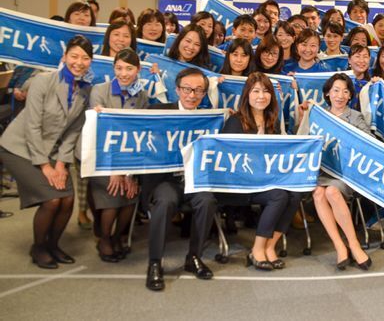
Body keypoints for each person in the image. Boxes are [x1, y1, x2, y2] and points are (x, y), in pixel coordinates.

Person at [0, 35, 93, 269]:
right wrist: (45, 166)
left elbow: (73, 131)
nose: (79, 62)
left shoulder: (85, 90)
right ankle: (39, 247)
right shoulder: (43, 81)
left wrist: (61, 164)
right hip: (18, 147)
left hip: (53, 151)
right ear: (64, 57)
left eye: (85, 58)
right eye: (74, 56)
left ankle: (53, 245)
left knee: (68, 199)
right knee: (52, 200)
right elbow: (32, 126)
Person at [141, 68, 218, 291]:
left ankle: (193, 257)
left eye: (198, 90)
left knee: (207, 201)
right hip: (164, 180)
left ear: (204, 93)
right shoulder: (156, 112)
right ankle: (155, 262)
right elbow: (131, 132)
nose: (192, 95)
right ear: (177, 90)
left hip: (194, 180)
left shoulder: (210, 118)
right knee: (165, 201)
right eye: (187, 89)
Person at [222, 73, 300, 270]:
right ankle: (257, 250)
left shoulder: (272, 122)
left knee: (296, 194)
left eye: (266, 91)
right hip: (239, 184)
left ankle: (270, 246)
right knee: (279, 196)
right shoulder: (235, 121)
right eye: (256, 91)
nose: (261, 96)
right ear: (247, 95)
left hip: (265, 181)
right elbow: (227, 160)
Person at [297, 73, 372, 271]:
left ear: (350, 96)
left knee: (331, 191)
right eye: (336, 90)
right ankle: (339, 245)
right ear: (328, 94)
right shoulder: (317, 114)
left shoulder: (355, 116)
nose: (340, 95)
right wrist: (302, 116)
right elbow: (303, 142)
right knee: (318, 192)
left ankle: (353, 244)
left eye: (345, 91)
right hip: (322, 171)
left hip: (345, 173)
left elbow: (369, 142)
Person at [88, 48, 148, 262]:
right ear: (113, 68)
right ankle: (104, 239)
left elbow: (138, 135)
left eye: (129, 68)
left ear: (138, 70)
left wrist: (129, 174)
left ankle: (116, 237)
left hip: (127, 157)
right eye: (119, 68)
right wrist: (114, 171)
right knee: (113, 195)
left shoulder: (142, 95)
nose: (124, 73)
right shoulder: (99, 90)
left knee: (131, 196)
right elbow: (99, 133)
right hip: (100, 156)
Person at [347, 43, 371, 109]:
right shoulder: (341, 81)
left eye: (365, 56)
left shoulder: (371, 84)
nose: (361, 60)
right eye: (357, 56)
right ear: (349, 60)